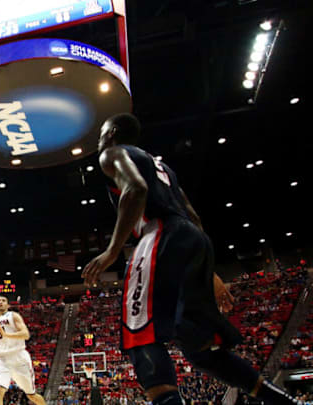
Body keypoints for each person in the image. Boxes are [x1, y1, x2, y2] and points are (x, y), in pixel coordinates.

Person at [82, 113, 299, 405]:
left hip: (159, 234)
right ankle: (283, 401)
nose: (99, 140)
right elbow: (193, 216)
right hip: (193, 239)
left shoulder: (113, 153)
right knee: (201, 349)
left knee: (139, 334)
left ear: (113, 133)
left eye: (101, 133)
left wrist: (111, 250)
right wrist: (210, 273)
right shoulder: (163, 168)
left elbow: (136, 190)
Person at [0, 296, 46, 405]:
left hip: (19, 356)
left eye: (3, 300)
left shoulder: (13, 316)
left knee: (31, 395)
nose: (0, 302)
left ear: (8, 305)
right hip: (3, 358)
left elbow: (26, 334)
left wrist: (6, 335)